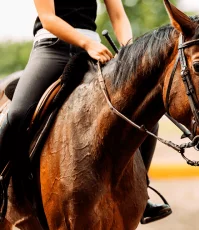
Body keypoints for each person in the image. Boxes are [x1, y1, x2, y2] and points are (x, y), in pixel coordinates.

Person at [0, 0, 171, 224]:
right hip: (52, 48)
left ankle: (143, 192)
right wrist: (86, 42)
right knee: (17, 115)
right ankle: (4, 189)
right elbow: (49, 19)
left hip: (93, 51)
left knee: (143, 114)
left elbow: (118, 16)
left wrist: (130, 53)